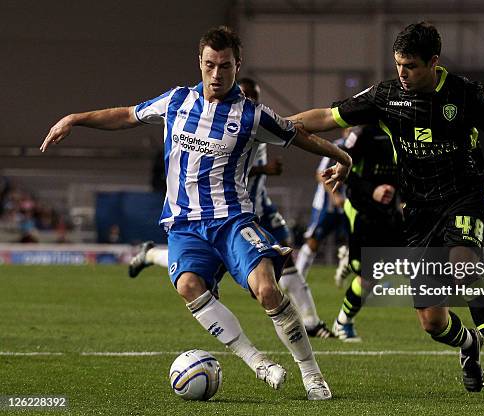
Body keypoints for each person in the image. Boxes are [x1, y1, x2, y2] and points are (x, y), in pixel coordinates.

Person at [41, 26, 352, 400]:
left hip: (233, 220)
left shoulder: (253, 115)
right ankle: (257, 362)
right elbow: (125, 115)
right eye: (210, 65)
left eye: (225, 66)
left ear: (238, 65)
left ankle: (311, 373)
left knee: (268, 289)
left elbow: (299, 135)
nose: (217, 75)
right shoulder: (176, 101)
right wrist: (75, 118)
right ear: (200, 63)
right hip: (185, 225)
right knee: (189, 286)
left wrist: (342, 157)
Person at [289, 22, 484, 397]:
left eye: (411, 65)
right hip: (418, 210)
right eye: (398, 64)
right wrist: (278, 125)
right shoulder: (386, 96)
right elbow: (327, 117)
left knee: (464, 265)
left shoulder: (466, 94)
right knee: (432, 322)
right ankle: (469, 344)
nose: (402, 72)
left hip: (467, 194)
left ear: (434, 62)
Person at [129, 77, 334, 339]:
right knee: (207, 272)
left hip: (261, 208)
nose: (250, 100)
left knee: (287, 266)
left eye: (255, 96)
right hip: (227, 216)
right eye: (248, 94)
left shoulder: (254, 120)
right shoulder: (218, 124)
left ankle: (312, 322)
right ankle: (150, 254)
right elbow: (221, 167)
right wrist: (264, 169)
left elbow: (294, 126)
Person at [330, 125, 404, 342]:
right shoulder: (363, 133)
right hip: (361, 210)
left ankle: (349, 261)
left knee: (408, 264)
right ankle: (342, 322)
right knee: (368, 276)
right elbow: (343, 171)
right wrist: (373, 189)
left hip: (389, 211)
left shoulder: (404, 125)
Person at [295, 135, 350, 281]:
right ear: (345, 131)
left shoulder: (364, 145)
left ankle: (362, 279)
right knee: (314, 240)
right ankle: (298, 278)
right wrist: (335, 196)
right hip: (327, 206)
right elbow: (321, 174)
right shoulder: (337, 146)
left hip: (349, 204)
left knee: (358, 239)